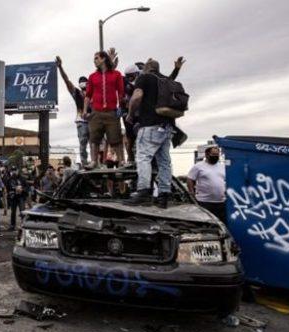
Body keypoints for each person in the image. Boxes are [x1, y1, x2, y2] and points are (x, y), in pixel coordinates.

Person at [125, 59, 176, 209]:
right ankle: (164, 195)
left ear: (147, 68)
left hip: (150, 125)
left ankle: (143, 192)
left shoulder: (145, 77)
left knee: (143, 158)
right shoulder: (166, 80)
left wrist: (130, 113)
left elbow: (137, 96)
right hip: (167, 127)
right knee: (164, 162)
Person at [83, 51, 125, 169]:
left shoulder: (116, 74)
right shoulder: (92, 77)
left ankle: (121, 160)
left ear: (103, 59)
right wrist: (85, 111)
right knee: (94, 139)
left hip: (112, 112)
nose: (94, 60)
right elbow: (88, 95)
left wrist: (120, 109)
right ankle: (94, 161)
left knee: (115, 138)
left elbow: (121, 93)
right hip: (96, 112)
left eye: (96, 58)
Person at [56, 56, 90, 165]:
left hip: (93, 120)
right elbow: (67, 81)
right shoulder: (76, 92)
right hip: (82, 121)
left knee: (96, 143)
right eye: (82, 84)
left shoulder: (93, 92)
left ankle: (96, 162)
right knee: (83, 144)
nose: (84, 87)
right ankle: (85, 164)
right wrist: (60, 67)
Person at [187, 146, 227, 223]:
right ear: (207, 155)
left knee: (222, 224)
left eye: (217, 155)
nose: (215, 156)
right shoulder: (198, 166)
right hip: (204, 202)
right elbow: (190, 179)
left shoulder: (222, 166)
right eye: (213, 154)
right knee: (206, 224)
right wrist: (191, 193)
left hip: (221, 202)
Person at [6, 166, 28, 231]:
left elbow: (27, 187)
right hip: (13, 197)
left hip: (21, 197)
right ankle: (12, 225)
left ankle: (24, 225)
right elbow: (7, 188)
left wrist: (22, 190)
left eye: (15, 170)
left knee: (22, 211)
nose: (14, 172)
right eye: (13, 170)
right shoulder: (10, 179)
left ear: (18, 170)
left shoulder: (22, 178)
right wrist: (11, 193)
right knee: (13, 212)